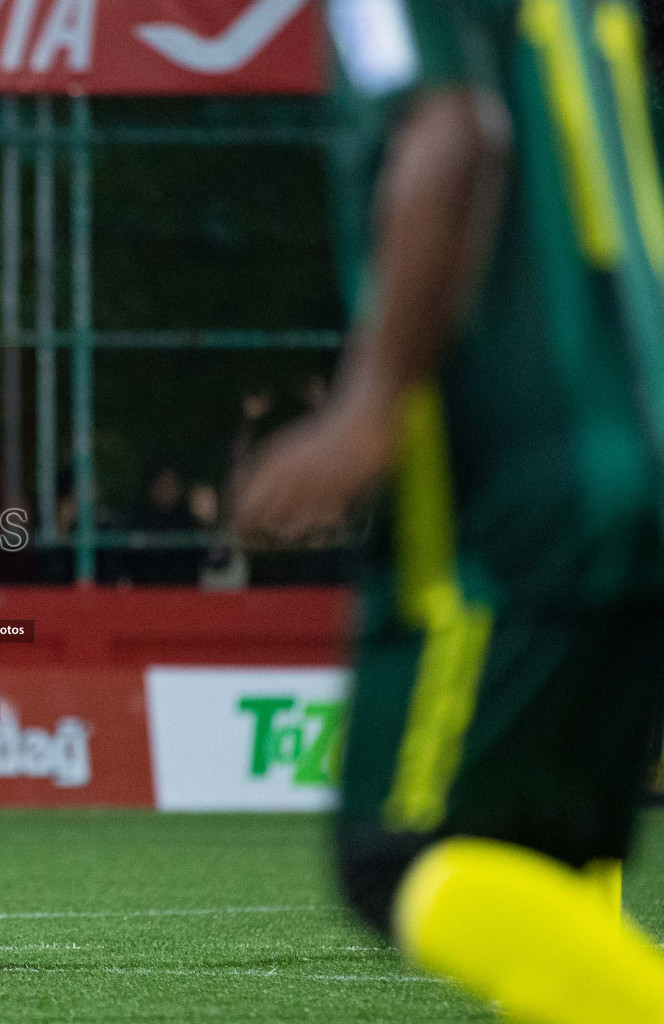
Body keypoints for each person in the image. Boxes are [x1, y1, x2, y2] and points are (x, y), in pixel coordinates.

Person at [235, 1, 664, 1020]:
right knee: (543, 860)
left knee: (402, 852)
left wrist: (370, 402)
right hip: (638, 436)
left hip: (520, 486)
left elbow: (455, 128)